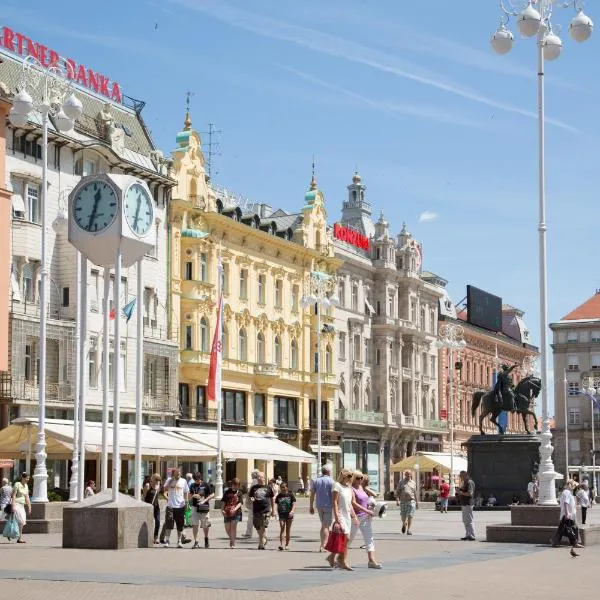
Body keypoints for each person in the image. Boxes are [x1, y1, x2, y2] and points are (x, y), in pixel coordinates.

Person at [326, 469, 359, 571]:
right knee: (347, 538)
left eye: (351, 476)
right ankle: (342, 560)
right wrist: (336, 518)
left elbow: (349, 504)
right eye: (348, 475)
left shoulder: (349, 488)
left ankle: (332, 557)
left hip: (347, 516)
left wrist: (354, 516)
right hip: (340, 514)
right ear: (343, 475)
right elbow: (334, 501)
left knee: (344, 539)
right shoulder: (337, 485)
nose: (350, 478)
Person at [349, 470, 382, 569]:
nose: (360, 480)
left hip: (365, 517)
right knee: (348, 539)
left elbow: (365, 500)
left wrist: (370, 508)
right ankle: (340, 558)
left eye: (361, 478)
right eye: (357, 478)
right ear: (353, 479)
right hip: (356, 517)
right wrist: (367, 511)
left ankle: (371, 561)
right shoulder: (351, 489)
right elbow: (354, 504)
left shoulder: (361, 487)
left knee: (369, 538)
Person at [551, 479, 584, 550]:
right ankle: (575, 543)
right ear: (570, 485)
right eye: (573, 485)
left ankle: (554, 541)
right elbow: (565, 503)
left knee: (563, 529)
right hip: (568, 515)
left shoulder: (568, 492)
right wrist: (567, 513)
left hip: (569, 515)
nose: (574, 487)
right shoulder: (567, 492)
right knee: (573, 528)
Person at [162, 467, 190, 548]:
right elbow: (164, 489)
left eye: (179, 473)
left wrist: (187, 502)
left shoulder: (183, 481)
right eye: (177, 473)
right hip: (170, 505)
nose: (178, 475)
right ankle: (167, 541)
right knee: (169, 524)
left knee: (180, 525)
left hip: (180, 506)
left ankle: (179, 541)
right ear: (173, 474)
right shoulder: (169, 480)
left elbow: (186, 492)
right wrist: (170, 482)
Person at [310, 465, 334, 552]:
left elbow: (312, 494)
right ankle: (324, 546)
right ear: (328, 472)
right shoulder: (331, 481)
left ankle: (322, 544)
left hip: (319, 505)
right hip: (328, 505)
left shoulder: (316, 481)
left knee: (323, 525)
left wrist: (311, 506)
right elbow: (334, 495)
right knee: (326, 526)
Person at [248, 472, 275, 550]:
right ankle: (264, 537)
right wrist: (253, 499)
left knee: (263, 525)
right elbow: (251, 497)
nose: (259, 478)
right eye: (258, 477)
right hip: (256, 510)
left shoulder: (268, 488)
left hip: (266, 510)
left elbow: (272, 499)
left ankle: (261, 543)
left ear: (264, 478)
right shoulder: (254, 488)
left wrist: (273, 510)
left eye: (260, 477)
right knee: (258, 526)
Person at [189, 472, 214, 549]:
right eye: (196, 480)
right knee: (195, 524)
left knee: (205, 524)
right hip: (194, 507)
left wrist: (204, 500)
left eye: (199, 479)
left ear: (201, 478)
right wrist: (193, 495)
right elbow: (190, 496)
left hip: (204, 506)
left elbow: (212, 494)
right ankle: (196, 541)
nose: (198, 481)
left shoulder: (206, 484)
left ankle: (206, 538)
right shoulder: (192, 485)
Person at [221, 478, 244, 548]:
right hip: (227, 511)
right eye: (233, 485)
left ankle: (233, 543)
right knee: (227, 528)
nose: (234, 486)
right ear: (231, 485)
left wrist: (235, 509)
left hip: (237, 512)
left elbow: (240, 503)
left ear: (238, 486)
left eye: (236, 485)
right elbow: (223, 501)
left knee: (233, 526)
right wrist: (222, 510)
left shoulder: (239, 493)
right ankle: (232, 539)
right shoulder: (227, 492)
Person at [395, 470, 418, 535]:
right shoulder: (401, 482)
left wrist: (417, 503)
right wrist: (397, 500)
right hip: (403, 501)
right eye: (406, 474)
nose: (407, 475)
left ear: (411, 475)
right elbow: (397, 492)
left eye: (409, 474)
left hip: (411, 501)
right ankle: (404, 524)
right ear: (404, 475)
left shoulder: (413, 483)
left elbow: (415, 493)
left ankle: (409, 530)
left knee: (410, 515)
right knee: (403, 516)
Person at [275, 482, 296, 551]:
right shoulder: (278, 496)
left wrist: (292, 511)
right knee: (282, 528)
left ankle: (287, 545)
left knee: (288, 530)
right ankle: (281, 545)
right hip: (281, 514)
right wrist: (275, 512)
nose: (282, 488)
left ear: (287, 487)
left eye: (284, 487)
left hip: (289, 514)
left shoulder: (290, 495)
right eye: (281, 487)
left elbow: (294, 504)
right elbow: (276, 505)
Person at [11, 472, 31, 543]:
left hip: (22, 505)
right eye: (27, 478)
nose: (28, 479)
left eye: (28, 478)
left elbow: (27, 497)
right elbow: (13, 495)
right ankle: (14, 534)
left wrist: (29, 506)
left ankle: (19, 538)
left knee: (22, 522)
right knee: (20, 520)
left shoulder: (26, 486)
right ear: (23, 478)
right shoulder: (17, 484)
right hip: (16, 504)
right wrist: (13, 505)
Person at [457, 470, 476, 541]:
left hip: (468, 503)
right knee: (465, 520)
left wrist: (461, 493)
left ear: (465, 475)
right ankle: (467, 534)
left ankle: (472, 535)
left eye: (461, 476)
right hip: (464, 504)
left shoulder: (469, 482)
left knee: (470, 520)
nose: (460, 477)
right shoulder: (464, 482)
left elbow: (470, 493)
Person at [144, 473, 162, 544]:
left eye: (159, 480)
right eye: (156, 480)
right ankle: (148, 537)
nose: (158, 481)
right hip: (149, 506)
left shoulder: (158, 486)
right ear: (152, 479)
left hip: (156, 506)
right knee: (149, 522)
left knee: (158, 522)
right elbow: (144, 497)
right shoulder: (147, 486)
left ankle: (156, 538)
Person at [242, 470, 259, 538]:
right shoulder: (257, 481)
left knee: (251, 518)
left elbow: (251, 493)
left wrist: (252, 501)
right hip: (255, 502)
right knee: (255, 518)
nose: (251, 475)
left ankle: (249, 533)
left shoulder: (254, 482)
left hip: (253, 503)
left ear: (254, 474)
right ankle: (261, 534)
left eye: (252, 474)